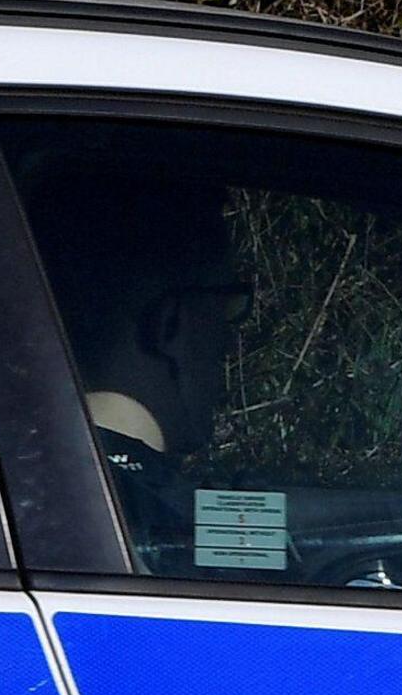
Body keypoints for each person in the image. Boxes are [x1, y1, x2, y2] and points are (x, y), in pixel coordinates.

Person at [18, 161, 247, 532]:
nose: (230, 338)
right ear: (170, 326)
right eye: (226, 305)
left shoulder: (12, 481)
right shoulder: (157, 536)